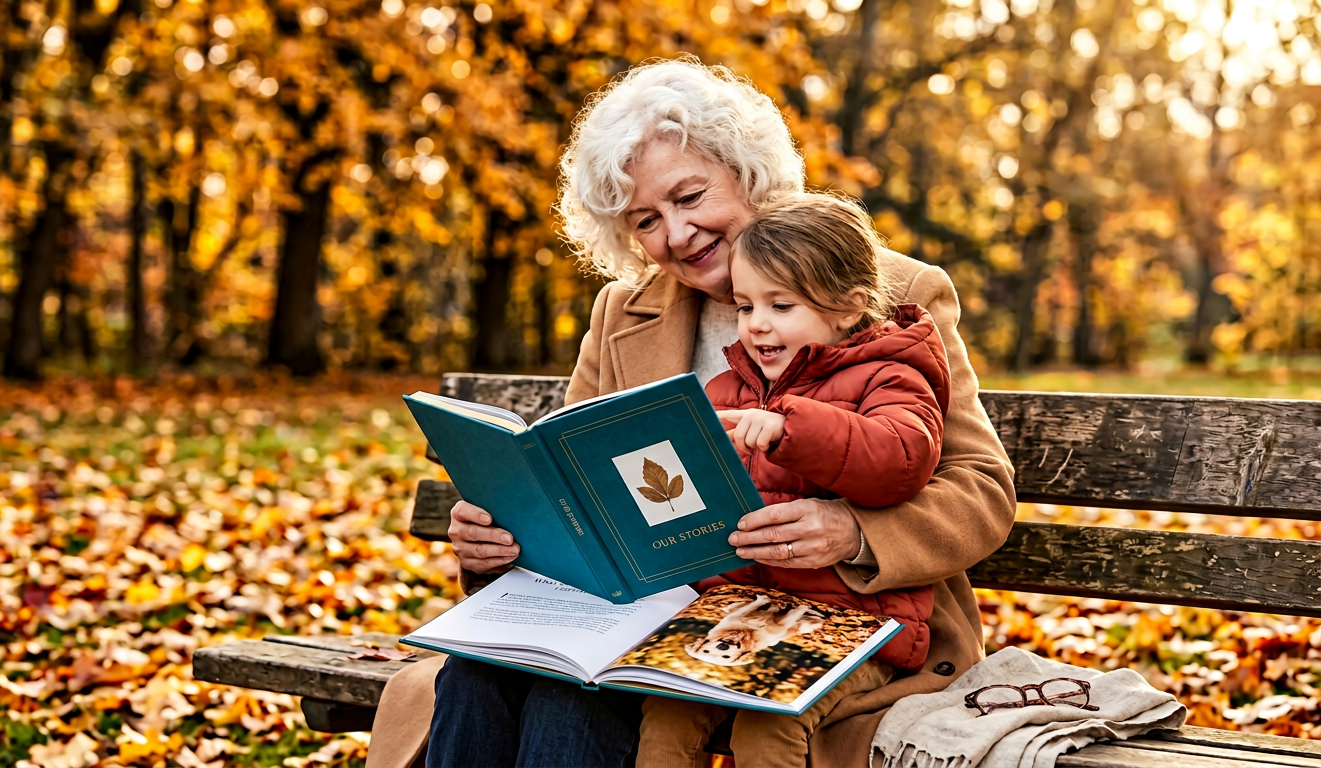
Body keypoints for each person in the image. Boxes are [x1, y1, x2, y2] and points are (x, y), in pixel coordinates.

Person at [363, 57, 1016, 768]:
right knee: (476, 674)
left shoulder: (888, 289)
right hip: (642, 613)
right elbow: (569, 479)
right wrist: (503, 535)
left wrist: (852, 531)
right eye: (646, 219)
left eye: (690, 195)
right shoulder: (622, 313)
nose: (676, 233)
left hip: (832, 625)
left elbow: (980, 490)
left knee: (573, 698)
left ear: (749, 173)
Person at [637, 192, 948, 767]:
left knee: (768, 721)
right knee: (669, 706)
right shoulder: (728, 391)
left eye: (780, 306)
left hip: (854, 624)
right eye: (745, 306)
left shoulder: (890, 376)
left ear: (849, 306)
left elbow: (900, 459)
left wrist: (789, 429)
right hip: (737, 614)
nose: (757, 326)